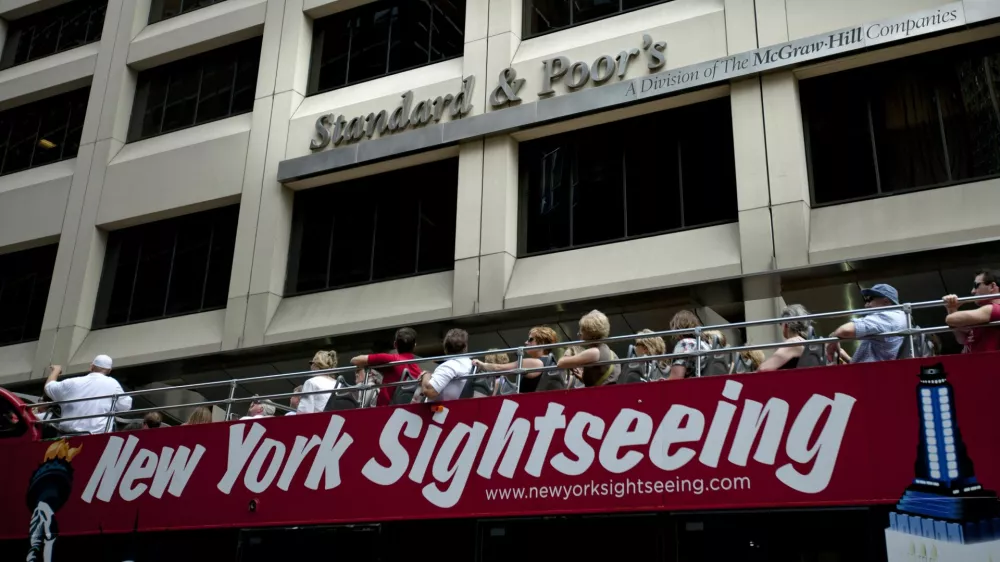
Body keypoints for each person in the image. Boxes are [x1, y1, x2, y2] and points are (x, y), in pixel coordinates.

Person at [43, 355, 132, 434]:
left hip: (67, 436)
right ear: (109, 370)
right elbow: (125, 406)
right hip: (97, 437)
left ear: (91, 367)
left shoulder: (73, 382)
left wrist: (56, 370)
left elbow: (48, 387)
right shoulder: (112, 383)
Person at [826, 283, 906, 364]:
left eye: (870, 299)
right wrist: (845, 357)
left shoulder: (889, 317)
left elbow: (845, 331)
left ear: (886, 301)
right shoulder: (893, 319)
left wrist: (833, 338)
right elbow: (873, 359)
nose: (866, 305)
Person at [471, 326, 560, 392]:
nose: (526, 342)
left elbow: (499, 368)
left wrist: (481, 364)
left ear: (542, 343)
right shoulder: (547, 362)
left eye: (530, 339)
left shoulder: (536, 363)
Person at [351, 327, 418, 406]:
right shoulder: (419, 371)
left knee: (370, 378)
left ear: (395, 344)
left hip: (383, 408)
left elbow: (354, 360)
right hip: (406, 408)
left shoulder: (390, 359)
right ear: (415, 345)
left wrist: (371, 365)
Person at [557, 310, 620, 387]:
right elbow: (604, 379)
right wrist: (584, 378)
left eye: (582, 330)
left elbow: (560, 363)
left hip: (598, 393)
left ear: (589, 332)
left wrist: (568, 353)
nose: (579, 333)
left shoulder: (594, 352)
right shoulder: (608, 351)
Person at [943, 269, 1000, 354]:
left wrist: (962, 302)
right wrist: (952, 307)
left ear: (992, 286)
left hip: (987, 362)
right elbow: (961, 339)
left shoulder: (995, 309)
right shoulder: (985, 314)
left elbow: (950, 319)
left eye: (976, 285)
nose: (972, 291)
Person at [417, 329, 473, 402]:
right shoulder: (470, 363)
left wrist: (425, 375)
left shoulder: (450, 366)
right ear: (465, 347)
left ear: (445, 348)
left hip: (442, 408)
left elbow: (429, 391)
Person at [759, 304, 812, 371]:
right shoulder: (805, 342)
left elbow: (763, 368)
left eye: (781, 324)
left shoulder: (793, 343)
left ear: (786, 325)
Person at [666, 310, 712, 379]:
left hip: (690, 384)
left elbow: (675, 379)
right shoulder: (705, 344)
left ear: (676, 328)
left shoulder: (684, 344)